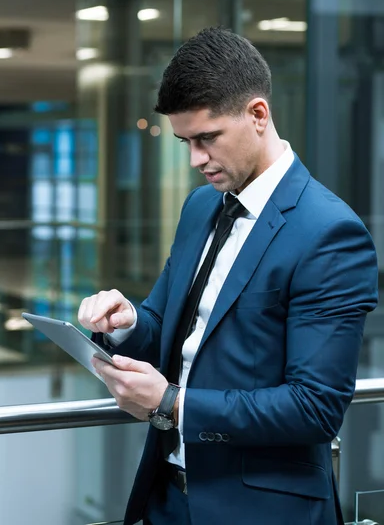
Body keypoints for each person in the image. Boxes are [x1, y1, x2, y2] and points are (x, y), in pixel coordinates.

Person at [78, 27, 378, 525]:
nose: (196, 160)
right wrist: (128, 322)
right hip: (166, 498)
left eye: (206, 138)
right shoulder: (201, 207)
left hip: (262, 510)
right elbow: (168, 328)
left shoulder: (329, 233)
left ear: (258, 115)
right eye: (185, 142)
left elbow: (315, 408)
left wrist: (174, 404)